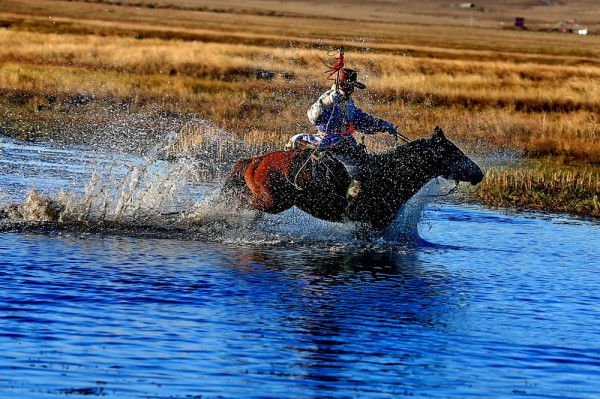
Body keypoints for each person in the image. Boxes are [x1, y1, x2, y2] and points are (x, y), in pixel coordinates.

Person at [287, 68, 400, 198]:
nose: (352, 89)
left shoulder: (349, 102)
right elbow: (312, 116)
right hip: (327, 141)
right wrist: (328, 101)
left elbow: (361, 120)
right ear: (341, 84)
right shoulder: (327, 98)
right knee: (357, 170)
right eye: (349, 86)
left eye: (353, 86)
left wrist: (383, 125)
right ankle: (352, 199)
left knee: (367, 162)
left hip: (346, 142)